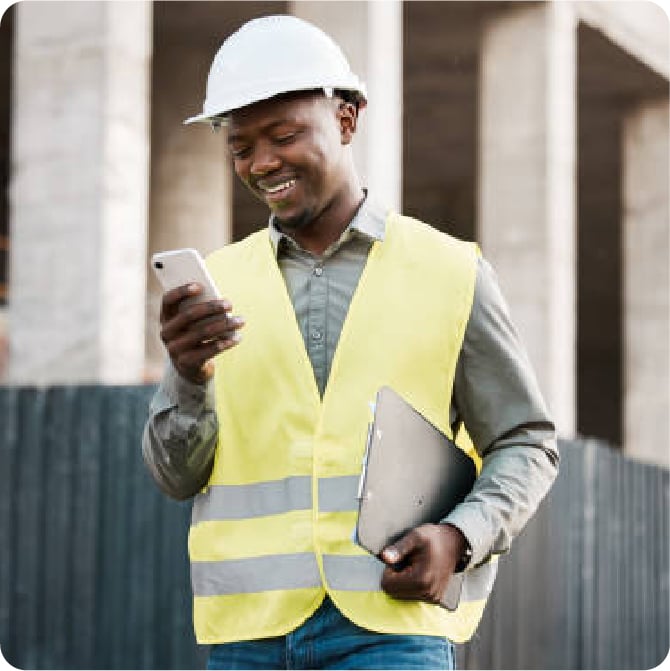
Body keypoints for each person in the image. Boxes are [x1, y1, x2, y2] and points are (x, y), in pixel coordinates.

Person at [143, 14, 559, 671]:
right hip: (245, 639)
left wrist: (459, 535)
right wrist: (188, 376)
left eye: (283, 135)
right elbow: (175, 476)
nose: (261, 163)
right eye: (241, 146)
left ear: (346, 119)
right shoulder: (217, 285)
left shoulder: (450, 272)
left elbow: (527, 441)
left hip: (387, 632)